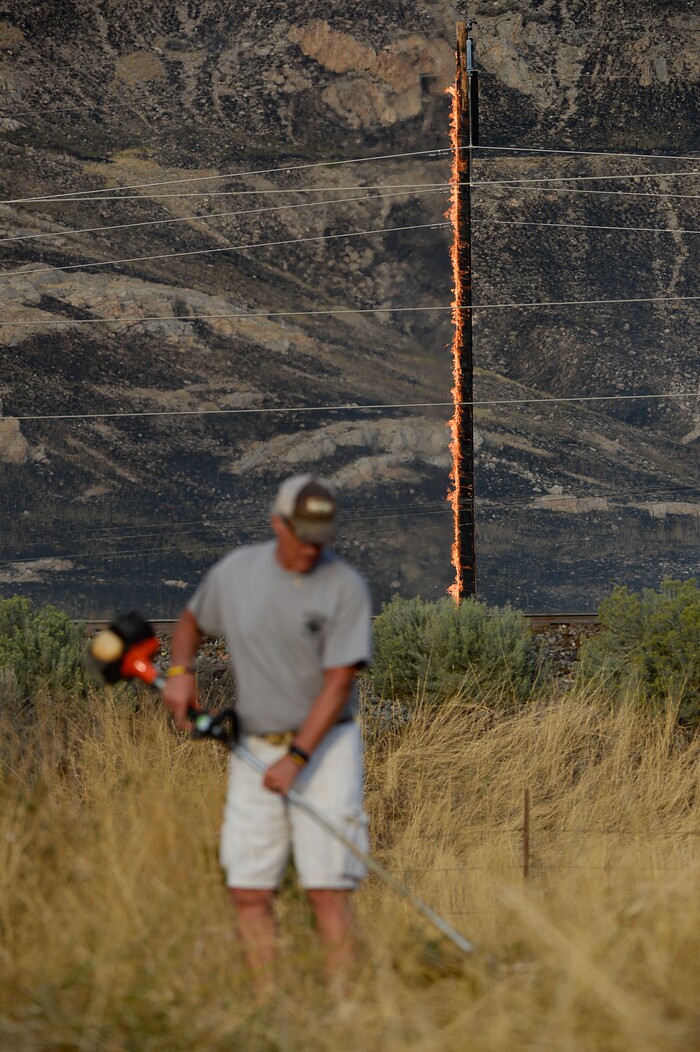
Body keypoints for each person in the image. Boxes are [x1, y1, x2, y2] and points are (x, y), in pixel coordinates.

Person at [162, 474, 372, 996]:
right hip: (253, 745)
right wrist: (180, 671)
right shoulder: (237, 573)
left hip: (327, 750)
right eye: (301, 534)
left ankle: (347, 1017)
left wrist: (296, 759)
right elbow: (189, 624)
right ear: (277, 524)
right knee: (249, 890)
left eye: (320, 537)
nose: (310, 547)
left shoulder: (345, 586)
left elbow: (339, 682)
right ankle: (270, 1009)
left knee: (328, 889)